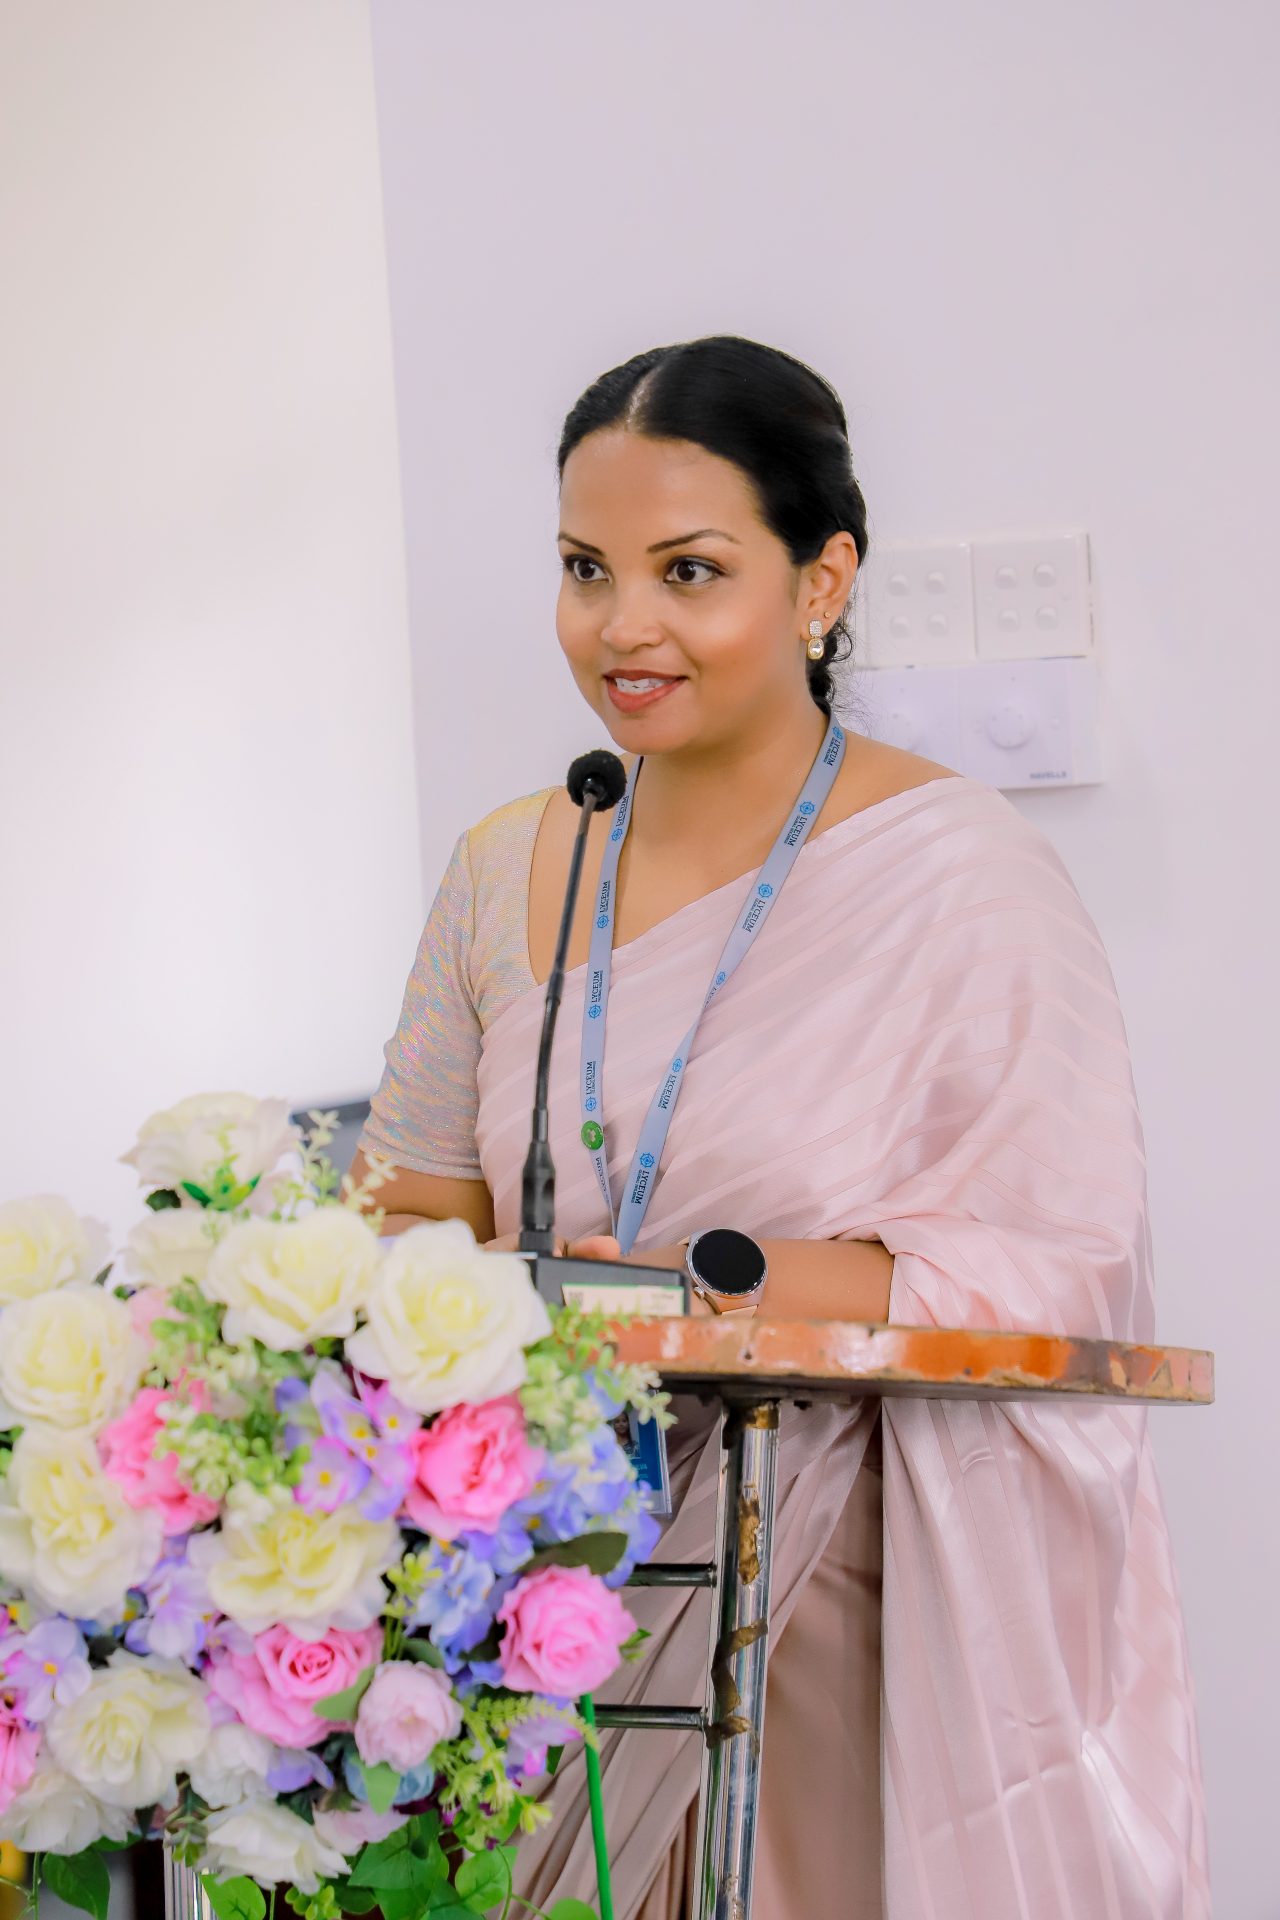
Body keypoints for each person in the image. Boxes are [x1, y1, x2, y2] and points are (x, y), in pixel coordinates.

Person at [347, 335, 1211, 1918]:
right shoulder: (508, 863)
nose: (624, 628)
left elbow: (1051, 1260)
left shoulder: (958, 873)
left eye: (690, 571)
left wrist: (682, 1295)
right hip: (535, 1575)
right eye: (583, 569)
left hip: (841, 1565)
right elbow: (411, 1207)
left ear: (822, 581)